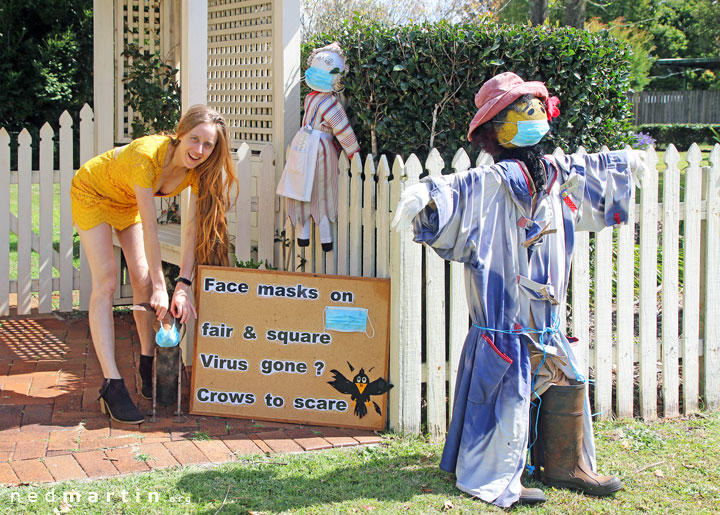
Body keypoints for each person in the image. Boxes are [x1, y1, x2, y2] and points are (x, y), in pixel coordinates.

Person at [392, 72, 647, 507]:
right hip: (502, 323)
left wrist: (626, 164)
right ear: (495, 128)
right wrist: (425, 197)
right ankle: (493, 471)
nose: (528, 117)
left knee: (566, 377)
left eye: (532, 108)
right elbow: (455, 190)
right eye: (516, 111)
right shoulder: (487, 184)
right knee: (505, 391)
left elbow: (594, 172)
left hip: (545, 319)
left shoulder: (556, 173)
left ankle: (566, 464)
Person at [71, 105, 238, 424]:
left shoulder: (200, 170)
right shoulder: (147, 155)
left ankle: (148, 364)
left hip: (126, 201)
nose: (200, 150)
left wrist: (183, 286)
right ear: (180, 133)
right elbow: (150, 227)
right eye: (194, 139)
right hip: (92, 192)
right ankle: (112, 386)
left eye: (208, 145)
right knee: (106, 281)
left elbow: (193, 230)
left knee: (143, 280)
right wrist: (163, 288)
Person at [277, 42, 360, 251]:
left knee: (300, 186)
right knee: (322, 190)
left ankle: (303, 233)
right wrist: (354, 153)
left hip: (302, 142)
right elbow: (342, 130)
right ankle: (325, 238)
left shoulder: (310, 99)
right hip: (320, 147)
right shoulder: (330, 103)